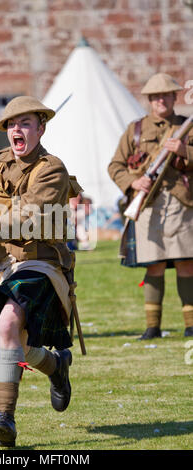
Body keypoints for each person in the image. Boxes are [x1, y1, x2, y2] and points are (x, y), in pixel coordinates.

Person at [0, 96, 80, 447]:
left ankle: (5, 419)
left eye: (24, 123)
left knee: (9, 324)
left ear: (40, 128)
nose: (16, 130)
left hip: (39, 262)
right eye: (11, 124)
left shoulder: (51, 168)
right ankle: (56, 366)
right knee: (14, 342)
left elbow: (29, 217)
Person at [108, 72, 193, 340]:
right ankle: (152, 326)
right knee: (153, 265)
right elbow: (115, 166)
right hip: (147, 204)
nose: (160, 100)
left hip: (182, 203)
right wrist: (134, 183)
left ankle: (191, 325)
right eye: (155, 97)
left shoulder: (186, 127)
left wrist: (184, 151)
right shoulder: (136, 129)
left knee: (186, 264)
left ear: (174, 97)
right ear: (149, 100)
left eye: (166, 95)